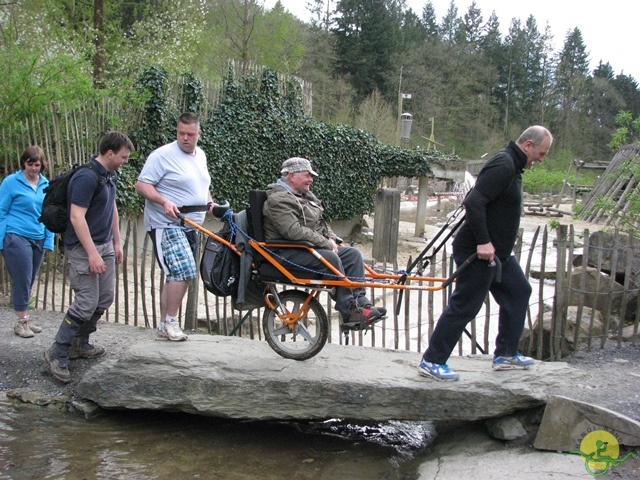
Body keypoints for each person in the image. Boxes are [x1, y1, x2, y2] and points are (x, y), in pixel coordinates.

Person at [419, 125, 554, 381]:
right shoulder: (503, 164)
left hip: (498, 253)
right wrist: (483, 242)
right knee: (466, 305)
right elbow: (473, 201)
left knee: (519, 291)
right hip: (477, 250)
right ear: (528, 145)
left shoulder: (514, 167)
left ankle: (505, 354)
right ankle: (432, 360)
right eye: (542, 153)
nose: (541, 158)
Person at [44, 131, 133, 383]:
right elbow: (76, 217)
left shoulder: (109, 175)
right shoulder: (86, 177)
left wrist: (116, 242)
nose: (125, 161)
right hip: (84, 248)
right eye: (123, 157)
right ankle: (57, 352)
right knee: (85, 302)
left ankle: (80, 343)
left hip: (104, 245)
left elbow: (112, 206)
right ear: (109, 153)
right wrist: (92, 254)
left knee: (104, 298)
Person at [262, 157, 386, 326]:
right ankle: (349, 310)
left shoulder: (305, 196)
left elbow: (322, 221)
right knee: (331, 257)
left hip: (306, 248)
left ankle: (361, 303)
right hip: (284, 252)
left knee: (352, 254)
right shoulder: (278, 199)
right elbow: (293, 231)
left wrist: (332, 238)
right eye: (307, 175)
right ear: (292, 176)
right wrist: (325, 243)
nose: (311, 179)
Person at [135, 112, 214, 342]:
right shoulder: (162, 155)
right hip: (166, 222)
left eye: (190, 134)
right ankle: (171, 321)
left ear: (199, 133)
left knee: (175, 274)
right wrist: (163, 201)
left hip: (190, 225)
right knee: (183, 270)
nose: (185, 138)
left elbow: (202, 186)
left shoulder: (201, 156)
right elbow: (142, 185)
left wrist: (210, 202)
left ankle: (163, 324)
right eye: (181, 133)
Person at [0, 146, 55, 337]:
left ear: (42, 165)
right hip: (16, 235)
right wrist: (1, 240)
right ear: (24, 163)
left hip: (38, 236)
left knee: (29, 279)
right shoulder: (10, 183)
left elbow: (49, 214)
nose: (33, 168)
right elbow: (1, 211)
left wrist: (49, 240)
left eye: (37, 164)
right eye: (29, 164)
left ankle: (25, 318)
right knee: (22, 277)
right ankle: (21, 321)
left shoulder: (46, 184)